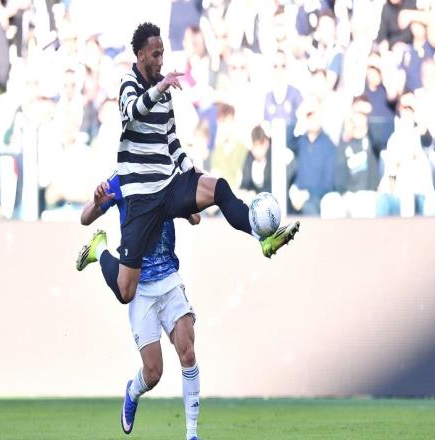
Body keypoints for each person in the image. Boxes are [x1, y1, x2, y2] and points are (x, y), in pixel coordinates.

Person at [79, 22, 300, 306]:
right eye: (155, 54)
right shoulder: (128, 83)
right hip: (141, 197)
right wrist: (160, 87)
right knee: (126, 292)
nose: (161, 60)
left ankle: (262, 237)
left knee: (218, 187)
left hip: (167, 185)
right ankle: (99, 249)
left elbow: (171, 139)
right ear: (140, 55)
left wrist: (190, 170)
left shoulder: (163, 90)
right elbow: (133, 111)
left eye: (162, 53)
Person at [77, 173, 201, 440]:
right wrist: (97, 203)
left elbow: (196, 217)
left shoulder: (169, 174)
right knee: (154, 373)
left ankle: (191, 434)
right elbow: (84, 217)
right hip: (139, 286)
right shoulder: (122, 178)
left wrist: (187, 202)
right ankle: (133, 392)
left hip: (169, 279)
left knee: (188, 352)